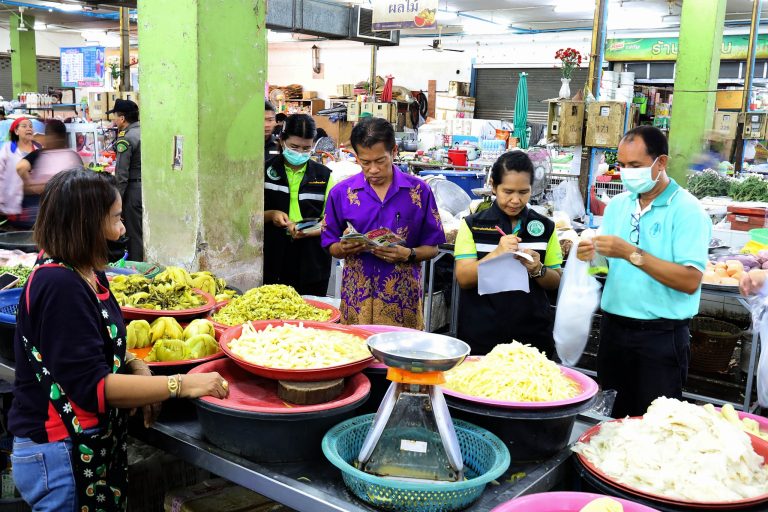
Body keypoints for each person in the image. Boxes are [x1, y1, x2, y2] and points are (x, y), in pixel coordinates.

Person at [9, 170, 229, 511]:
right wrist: (180, 385)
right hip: (60, 452)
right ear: (85, 225)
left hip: (85, 447)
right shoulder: (60, 286)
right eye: (115, 218)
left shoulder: (87, 272)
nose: (123, 229)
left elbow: (94, 343)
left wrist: (135, 364)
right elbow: (93, 387)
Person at [576, 126, 711, 418]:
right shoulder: (618, 206)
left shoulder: (687, 210)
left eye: (635, 165)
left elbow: (690, 280)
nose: (627, 173)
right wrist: (591, 255)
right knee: (611, 417)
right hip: (614, 330)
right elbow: (607, 266)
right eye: (622, 165)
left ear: (660, 163)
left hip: (660, 337)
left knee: (655, 422)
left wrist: (631, 253)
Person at [322, 117, 445, 329]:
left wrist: (408, 254)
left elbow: (433, 248)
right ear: (356, 156)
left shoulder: (418, 192)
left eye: (380, 161)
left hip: (403, 302)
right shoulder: (341, 193)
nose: (373, 170)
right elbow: (329, 244)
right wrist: (343, 248)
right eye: (365, 162)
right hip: (357, 301)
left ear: (394, 151)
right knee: (356, 347)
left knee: (402, 349)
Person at [454, 151, 563, 356]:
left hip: (533, 337)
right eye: (508, 191)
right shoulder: (473, 226)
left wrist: (538, 269)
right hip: (482, 334)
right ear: (493, 186)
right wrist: (496, 253)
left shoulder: (545, 227)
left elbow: (556, 280)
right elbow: (464, 278)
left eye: (523, 192)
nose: (515, 200)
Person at [263, 114, 333, 296]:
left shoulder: (324, 176)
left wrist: (309, 230)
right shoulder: (264, 171)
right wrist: (271, 215)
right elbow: (249, 216)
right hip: (273, 257)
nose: (300, 153)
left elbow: (332, 221)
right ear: (282, 140)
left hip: (312, 260)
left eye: (306, 148)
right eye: (294, 147)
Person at [12, 120, 83, 229]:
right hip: (65, 213)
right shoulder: (73, 156)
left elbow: (20, 168)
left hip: (42, 213)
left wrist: (31, 186)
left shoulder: (40, 154)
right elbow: (82, 182)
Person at [107, 99, 143, 261]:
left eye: (115, 116)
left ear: (122, 118)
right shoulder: (144, 132)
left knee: (134, 234)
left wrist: (117, 201)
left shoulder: (126, 139)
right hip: (147, 189)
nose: (114, 120)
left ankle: (137, 269)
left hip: (133, 192)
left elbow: (121, 176)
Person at [0, 118, 40, 218]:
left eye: (30, 126)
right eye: (24, 126)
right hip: (11, 200)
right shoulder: (8, 148)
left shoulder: (38, 148)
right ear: (16, 131)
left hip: (34, 200)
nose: (29, 128)